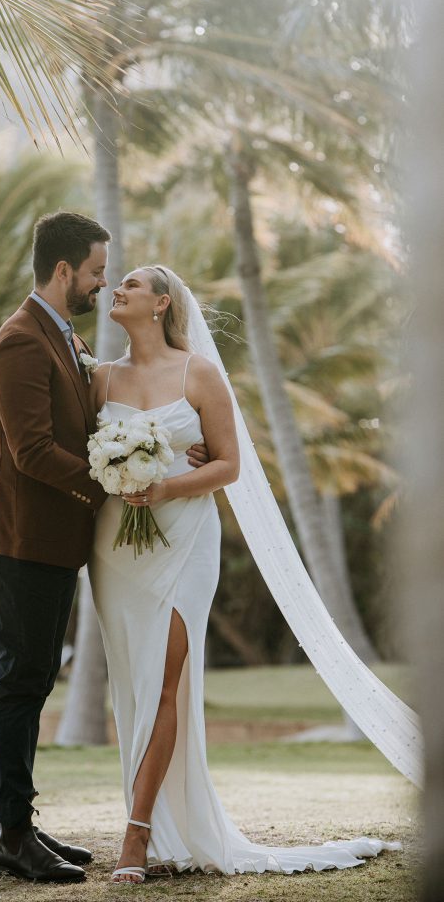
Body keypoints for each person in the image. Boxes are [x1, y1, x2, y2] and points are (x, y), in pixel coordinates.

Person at [88, 264, 402, 883]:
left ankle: (137, 832)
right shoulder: (99, 379)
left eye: (130, 283)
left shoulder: (198, 373)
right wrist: (117, 475)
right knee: (132, 682)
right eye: (113, 282)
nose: (115, 289)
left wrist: (169, 481)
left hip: (185, 540)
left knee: (166, 681)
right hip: (116, 550)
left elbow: (229, 465)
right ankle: (150, 819)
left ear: (160, 304)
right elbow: (79, 456)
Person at [0, 214, 210, 883]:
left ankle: (11, 823)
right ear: (64, 270)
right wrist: (119, 481)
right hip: (23, 538)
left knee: (32, 676)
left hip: (54, 541)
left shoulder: (63, 336)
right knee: (22, 681)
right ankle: (11, 834)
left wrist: (168, 449)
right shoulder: (21, 341)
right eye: (98, 272)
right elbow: (33, 453)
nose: (101, 284)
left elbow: (102, 419)